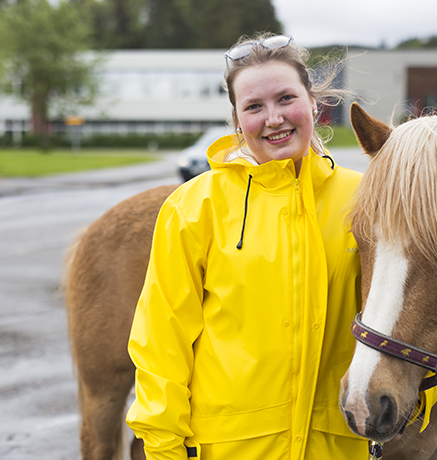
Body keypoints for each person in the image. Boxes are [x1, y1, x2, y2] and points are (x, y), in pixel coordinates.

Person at [126, 33, 369, 460]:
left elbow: (413, 316)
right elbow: (162, 342)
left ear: (312, 102)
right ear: (238, 120)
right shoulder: (193, 207)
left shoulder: (366, 200)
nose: (273, 118)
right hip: (230, 449)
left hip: (334, 447)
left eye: (285, 99)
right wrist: (163, 447)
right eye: (254, 107)